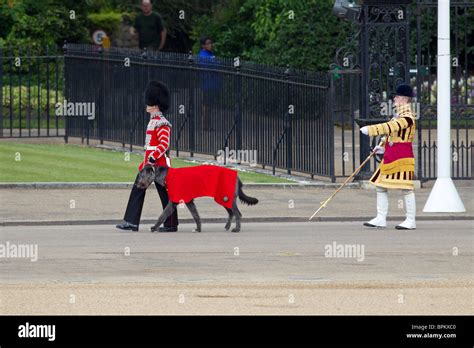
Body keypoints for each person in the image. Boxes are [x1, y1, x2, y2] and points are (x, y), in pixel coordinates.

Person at [116, 80, 178, 232]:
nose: (146, 105)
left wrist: (152, 158)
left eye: (149, 102)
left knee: (165, 194)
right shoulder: (153, 121)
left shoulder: (162, 123)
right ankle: (133, 222)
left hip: (159, 165)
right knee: (140, 189)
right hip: (151, 165)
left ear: (155, 104)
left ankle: (170, 224)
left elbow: (163, 145)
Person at [360, 84, 417, 230]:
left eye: (396, 97)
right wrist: (382, 147)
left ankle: (410, 220)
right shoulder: (398, 115)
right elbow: (391, 135)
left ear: (404, 99)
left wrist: (370, 130)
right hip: (391, 155)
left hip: (402, 157)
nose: (394, 99)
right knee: (380, 186)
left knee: (406, 188)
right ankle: (381, 218)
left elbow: (390, 128)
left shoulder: (408, 117)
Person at [197, 36, 221, 130]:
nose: (210, 45)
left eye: (211, 43)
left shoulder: (210, 54)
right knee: (206, 104)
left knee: (209, 104)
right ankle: (205, 125)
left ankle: (207, 124)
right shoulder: (203, 56)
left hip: (212, 83)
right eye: (208, 43)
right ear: (203, 45)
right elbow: (213, 66)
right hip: (207, 83)